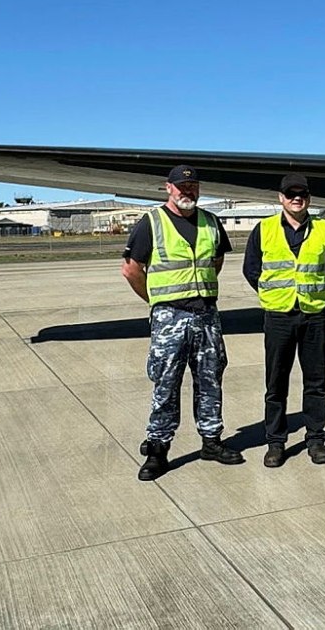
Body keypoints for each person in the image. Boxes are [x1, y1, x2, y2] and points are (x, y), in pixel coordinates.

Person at [121, 164, 243, 481]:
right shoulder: (152, 223)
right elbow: (132, 270)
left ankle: (211, 442)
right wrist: (157, 301)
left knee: (210, 380)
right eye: (181, 186)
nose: (187, 191)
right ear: (168, 188)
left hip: (206, 315)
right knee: (166, 384)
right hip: (169, 316)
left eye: (192, 186)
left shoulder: (211, 222)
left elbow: (216, 260)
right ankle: (158, 450)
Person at [242, 173, 325, 468]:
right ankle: (275, 442)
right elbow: (252, 269)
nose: (296, 198)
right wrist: (274, 294)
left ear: (309, 198)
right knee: (276, 384)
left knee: (316, 383)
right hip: (278, 316)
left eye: (302, 194)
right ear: (281, 198)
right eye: (290, 194)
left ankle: (315, 439)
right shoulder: (263, 230)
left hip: (314, 316)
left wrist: (310, 293)